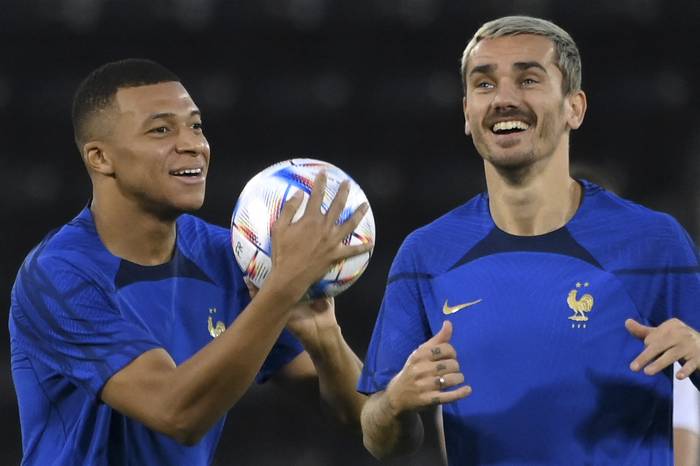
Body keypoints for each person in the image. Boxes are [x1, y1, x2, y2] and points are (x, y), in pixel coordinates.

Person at [358, 15, 700, 465]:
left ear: (574, 108)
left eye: (528, 79)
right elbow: (379, 437)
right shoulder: (426, 254)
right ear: (466, 113)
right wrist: (398, 402)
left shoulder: (654, 243)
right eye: (484, 84)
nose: (503, 99)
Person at [9, 58, 371, 465]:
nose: (193, 144)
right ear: (100, 157)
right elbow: (176, 413)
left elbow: (358, 418)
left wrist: (325, 337)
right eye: (162, 129)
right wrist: (284, 287)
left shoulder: (230, 256)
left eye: (196, 126)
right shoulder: (57, 276)